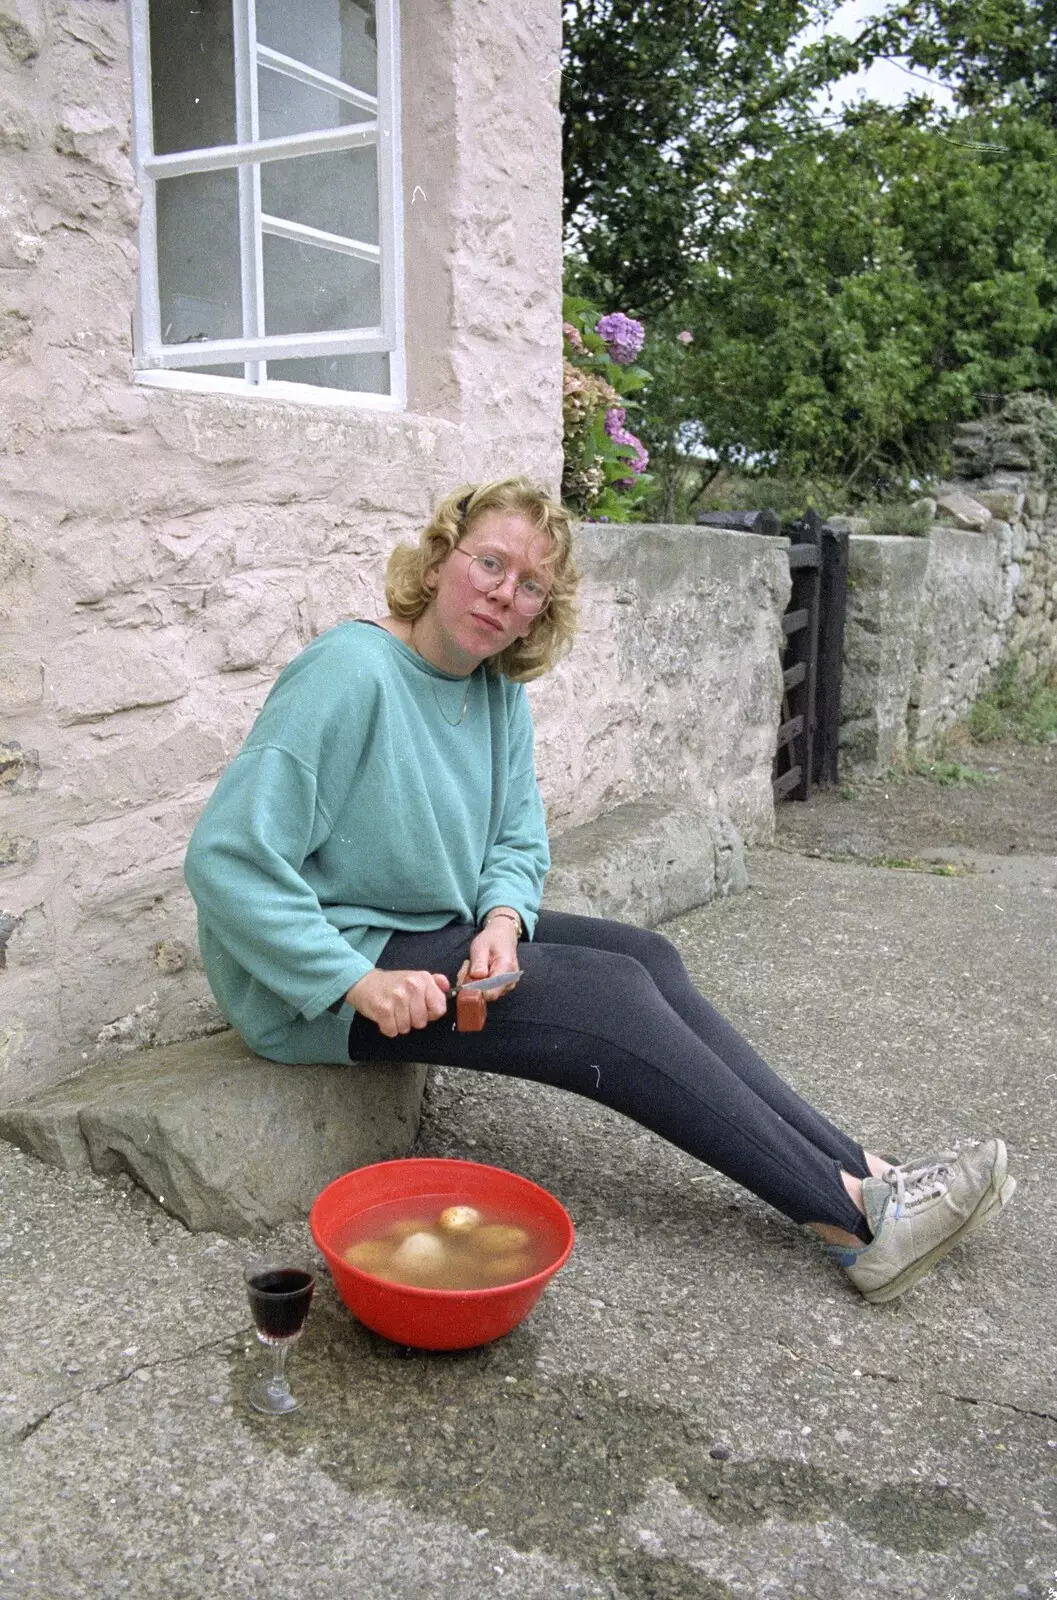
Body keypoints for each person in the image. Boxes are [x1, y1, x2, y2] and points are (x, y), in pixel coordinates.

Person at [184, 476, 1014, 1305]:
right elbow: (226, 860)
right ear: (439, 559)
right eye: (490, 563)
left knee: (647, 954)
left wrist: (504, 918)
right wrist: (353, 982)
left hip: (418, 931)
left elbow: (516, 836)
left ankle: (869, 1172)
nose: (504, 593)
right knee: (606, 996)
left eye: (530, 585)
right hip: (319, 975)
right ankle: (848, 1222)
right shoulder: (349, 673)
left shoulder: (492, 685)